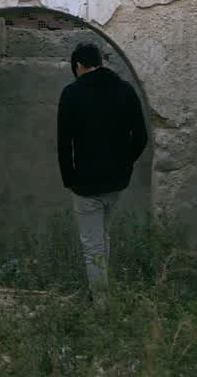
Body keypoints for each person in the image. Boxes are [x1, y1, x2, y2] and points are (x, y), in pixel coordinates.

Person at [56, 42, 149, 300]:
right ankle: (100, 293)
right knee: (102, 237)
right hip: (116, 183)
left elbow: (64, 143)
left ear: (78, 65)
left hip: (85, 184)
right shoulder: (125, 90)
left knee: (92, 245)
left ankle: (101, 305)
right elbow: (141, 137)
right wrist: (124, 164)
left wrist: (69, 179)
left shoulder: (71, 93)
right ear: (100, 62)